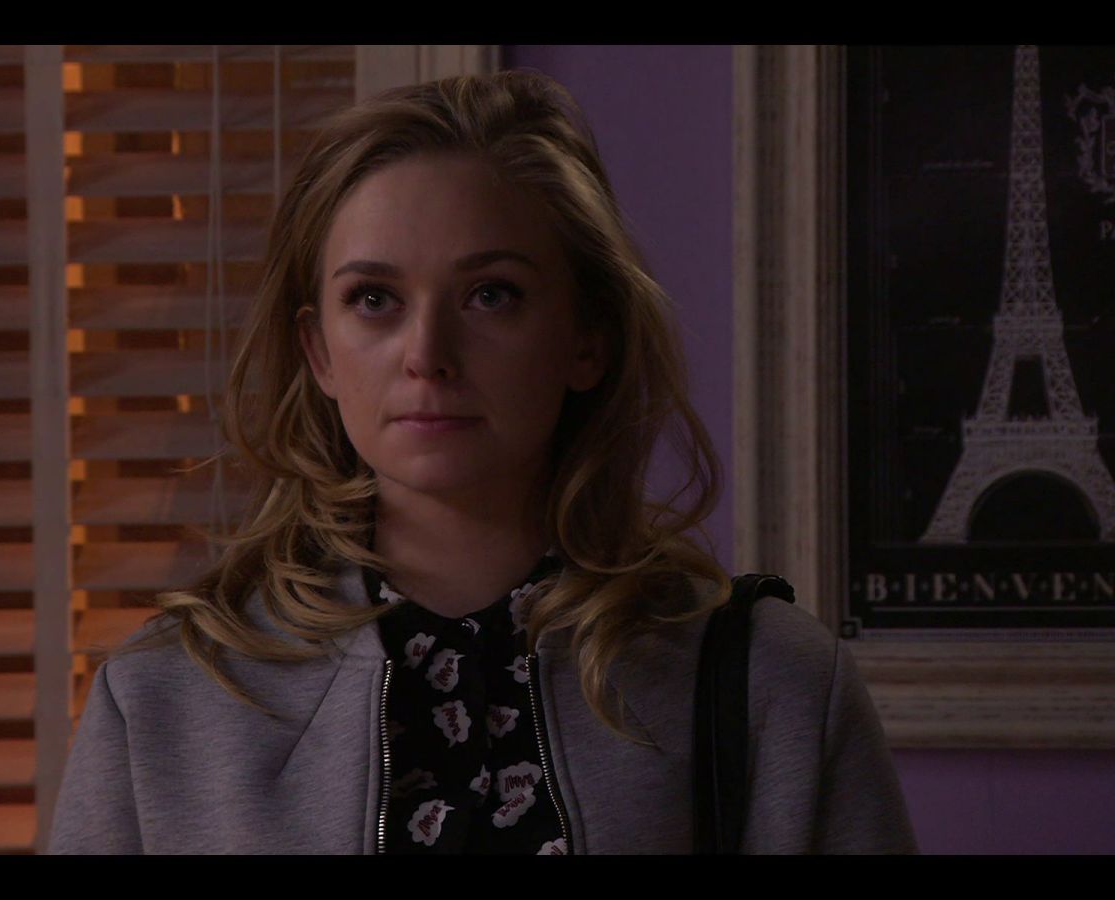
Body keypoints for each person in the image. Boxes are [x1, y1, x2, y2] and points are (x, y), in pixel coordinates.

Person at [46, 70, 918, 855]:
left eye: (491, 295)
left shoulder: (772, 685)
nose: (427, 354)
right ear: (318, 352)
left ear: (587, 338)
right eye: (374, 299)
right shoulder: (162, 700)